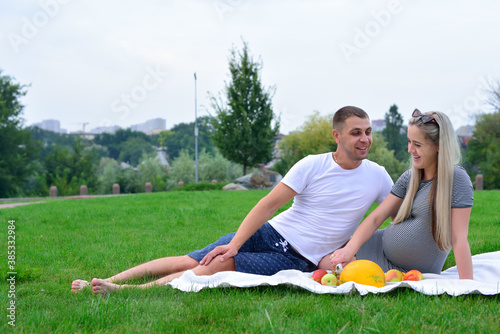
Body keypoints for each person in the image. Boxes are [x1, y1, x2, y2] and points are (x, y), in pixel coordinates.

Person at [71, 106, 394, 294]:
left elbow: (392, 213)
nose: (364, 139)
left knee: (217, 264)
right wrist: (237, 242)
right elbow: (268, 204)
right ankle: (104, 282)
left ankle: (129, 293)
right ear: (337, 135)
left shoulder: (378, 176)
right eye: (356, 132)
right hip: (270, 232)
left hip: (299, 259)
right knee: (194, 259)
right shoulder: (312, 164)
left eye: (367, 132)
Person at [326, 109, 474, 279]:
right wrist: (349, 249)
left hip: (408, 268)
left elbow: (459, 238)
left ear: (439, 146)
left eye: (417, 145)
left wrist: (468, 286)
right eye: (409, 142)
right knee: (326, 259)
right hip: (377, 246)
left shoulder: (456, 179)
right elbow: (376, 218)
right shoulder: (409, 177)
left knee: (333, 266)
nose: (410, 150)